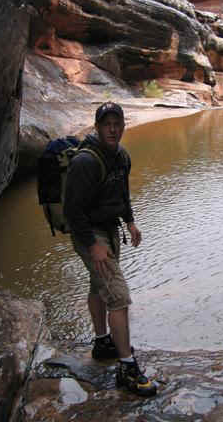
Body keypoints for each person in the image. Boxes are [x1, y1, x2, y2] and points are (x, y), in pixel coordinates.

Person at [64, 101, 156, 397]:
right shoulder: (85, 163)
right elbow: (71, 212)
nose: (113, 129)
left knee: (97, 284)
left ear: (123, 126)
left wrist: (130, 223)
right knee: (118, 297)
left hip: (110, 228)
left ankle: (103, 342)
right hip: (89, 232)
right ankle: (127, 367)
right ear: (97, 127)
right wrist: (93, 246)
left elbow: (122, 193)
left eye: (118, 124)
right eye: (107, 124)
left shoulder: (122, 156)